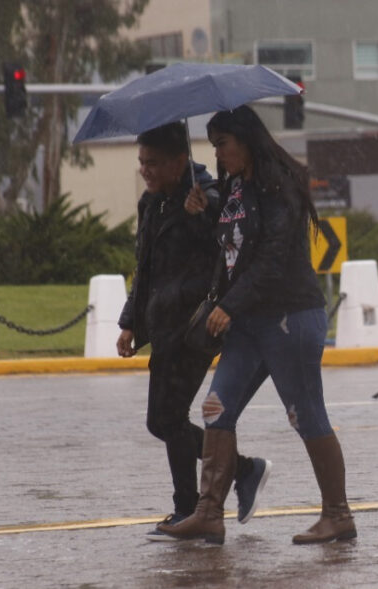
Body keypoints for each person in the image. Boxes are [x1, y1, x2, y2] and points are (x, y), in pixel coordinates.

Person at [157, 106, 356, 545]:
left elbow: (275, 255)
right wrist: (204, 213)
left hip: (289, 318)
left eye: (223, 145)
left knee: (306, 415)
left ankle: (338, 515)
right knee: (216, 408)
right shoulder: (234, 186)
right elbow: (232, 249)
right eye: (213, 146)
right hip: (249, 323)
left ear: (246, 140)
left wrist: (232, 303)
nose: (218, 155)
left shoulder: (278, 183)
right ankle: (209, 513)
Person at [117, 122, 271, 541]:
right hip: (163, 324)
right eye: (141, 163)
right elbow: (144, 266)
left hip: (195, 324)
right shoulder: (152, 202)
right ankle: (242, 469)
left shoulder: (210, 194)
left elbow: (229, 248)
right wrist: (130, 320)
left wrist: (201, 215)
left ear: (179, 160)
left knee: (168, 417)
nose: (145, 171)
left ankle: (189, 507)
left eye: (153, 163)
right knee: (160, 421)